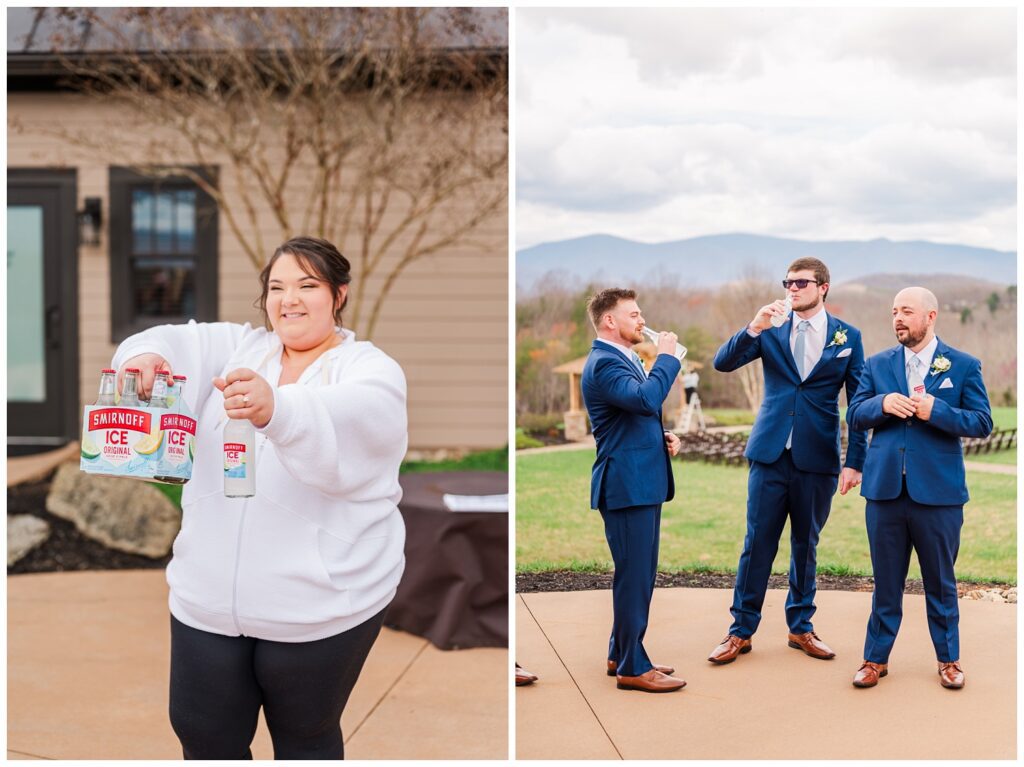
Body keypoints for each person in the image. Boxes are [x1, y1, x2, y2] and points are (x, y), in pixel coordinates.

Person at [112, 236, 408, 759]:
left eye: (307, 285)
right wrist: (146, 357)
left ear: (338, 294)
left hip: (321, 604)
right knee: (204, 735)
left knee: (304, 737)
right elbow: (172, 341)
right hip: (206, 601)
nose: (288, 299)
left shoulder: (368, 369)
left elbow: (361, 418)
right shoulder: (239, 348)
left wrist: (278, 410)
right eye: (276, 287)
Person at [708, 257, 867, 666]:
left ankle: (801, 627)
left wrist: (855, 461)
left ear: (823, 287)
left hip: (818, 458)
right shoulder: (771, 329)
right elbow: (723, 363)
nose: (792, 289)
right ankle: (740, 632)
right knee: (757, 542)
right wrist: (754, 326)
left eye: (801, 283)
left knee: (805, 545)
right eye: (788, 282)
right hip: (770, 453)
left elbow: (859, 404)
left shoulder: (848, 337)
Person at [846, 287, 992, 690]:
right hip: (885, 493)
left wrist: (937, 411)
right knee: (885, 583)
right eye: (894, 311)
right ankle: (874, 659)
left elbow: (981, 422)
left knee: (941, 582)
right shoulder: (876, 366)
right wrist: (883, 404)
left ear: (930, 316)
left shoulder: (962, 365)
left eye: (906, 311)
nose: (898, 318)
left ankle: (949, 660)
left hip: (939, 496)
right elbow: (854, 414)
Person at [581, 288, 686, 693]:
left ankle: (619, 652)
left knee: (637, 576)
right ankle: (632, 667)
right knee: (635, 576)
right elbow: (645, 399)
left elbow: (634, 416)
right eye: (634, 314)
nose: (642, 321)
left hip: (640, 481)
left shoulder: (622, 359)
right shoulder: (606, 363)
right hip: (626, 486)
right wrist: (668, 359)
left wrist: (661, 437)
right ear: (610, 321)